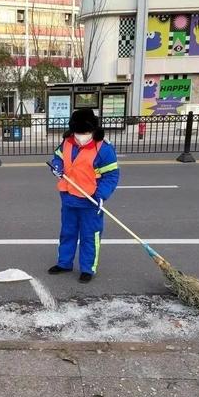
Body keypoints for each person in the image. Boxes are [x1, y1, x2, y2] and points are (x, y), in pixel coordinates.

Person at [48, 108, 120, 283]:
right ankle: (64, 263)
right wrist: (56, 167)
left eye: (85, 132)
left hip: (90, 201)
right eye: (78, 132)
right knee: (67, 233)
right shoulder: (67, 142)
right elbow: (58, 158)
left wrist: (101, 195)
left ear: (93, 130)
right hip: (69, 198)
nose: (81, 136)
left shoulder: (103, 149)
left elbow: (111, 176)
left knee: (90, 236)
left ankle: (88, 268)